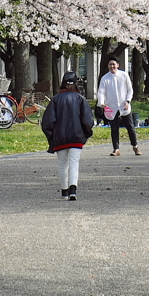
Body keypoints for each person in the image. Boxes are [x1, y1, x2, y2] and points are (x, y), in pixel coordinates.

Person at [40, 72, 94, 201]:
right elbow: (88, 120)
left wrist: (52, 136)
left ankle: (64, 191)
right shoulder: (80, 99)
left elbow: (47, 122)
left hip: (60, 137)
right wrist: (85, 133)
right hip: (76, 136)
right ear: (76, 83)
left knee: (63, 164)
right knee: (74, 163)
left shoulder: (55, 99)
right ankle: (73, 189)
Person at [96, 57, 141, 156]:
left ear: (117, 65)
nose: (112, 66)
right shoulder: (105, 78)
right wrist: (101, 102)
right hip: (111, 106)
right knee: (114, 128)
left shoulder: (124, 75)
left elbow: (130, 90)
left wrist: (128, 101)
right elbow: (101, 92)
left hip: (124, 105)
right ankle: (116, 149)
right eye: (110, 64)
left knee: (130, 127)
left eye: (113, 64)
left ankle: (135, 146)